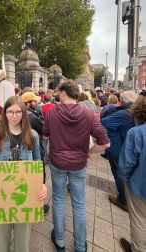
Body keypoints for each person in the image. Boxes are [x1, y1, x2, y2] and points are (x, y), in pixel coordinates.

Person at [43, 80, 110, 252]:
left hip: (57, 162)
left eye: (59, 92)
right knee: (79, 204)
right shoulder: (87, 113)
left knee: (58, 200)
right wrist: (90, 151)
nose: (58, 95)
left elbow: (45, 135)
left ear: (64, 93)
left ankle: (60, 242)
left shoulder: (51, 113)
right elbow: (105, 143)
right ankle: (80, 246)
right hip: (78, 164)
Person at [0, 96, 47, 252]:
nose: (14, 115)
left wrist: (41, 185)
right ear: (4, 114)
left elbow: (38, 162)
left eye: (18, 112)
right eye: (10, 112)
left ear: (23, 113)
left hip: (24, 195)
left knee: (22, 245)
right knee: (1, 244)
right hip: (1, 195)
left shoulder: (33, 135)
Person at [118, 95, 146, 252]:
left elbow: (126, 164)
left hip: (140, 184)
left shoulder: (136, 132)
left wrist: (123, 180)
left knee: (140, 220)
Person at [101, 91, 137, 212]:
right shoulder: (136, 111)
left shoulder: (124, 113)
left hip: (119, 148)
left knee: (118, 173)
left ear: (121, 100)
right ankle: (128, 197)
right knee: (128, 172)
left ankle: (123, 200)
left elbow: (104, 122)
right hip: (131, 148)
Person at [21, 91, 49, 214]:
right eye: (34, 101)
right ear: (27, 103)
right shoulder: (31, 116)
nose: (36, 102)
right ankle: (38, 206)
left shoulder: (23, 114)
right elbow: (43, 129)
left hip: (24, 152)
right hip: (33, 151)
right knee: (38, 178)